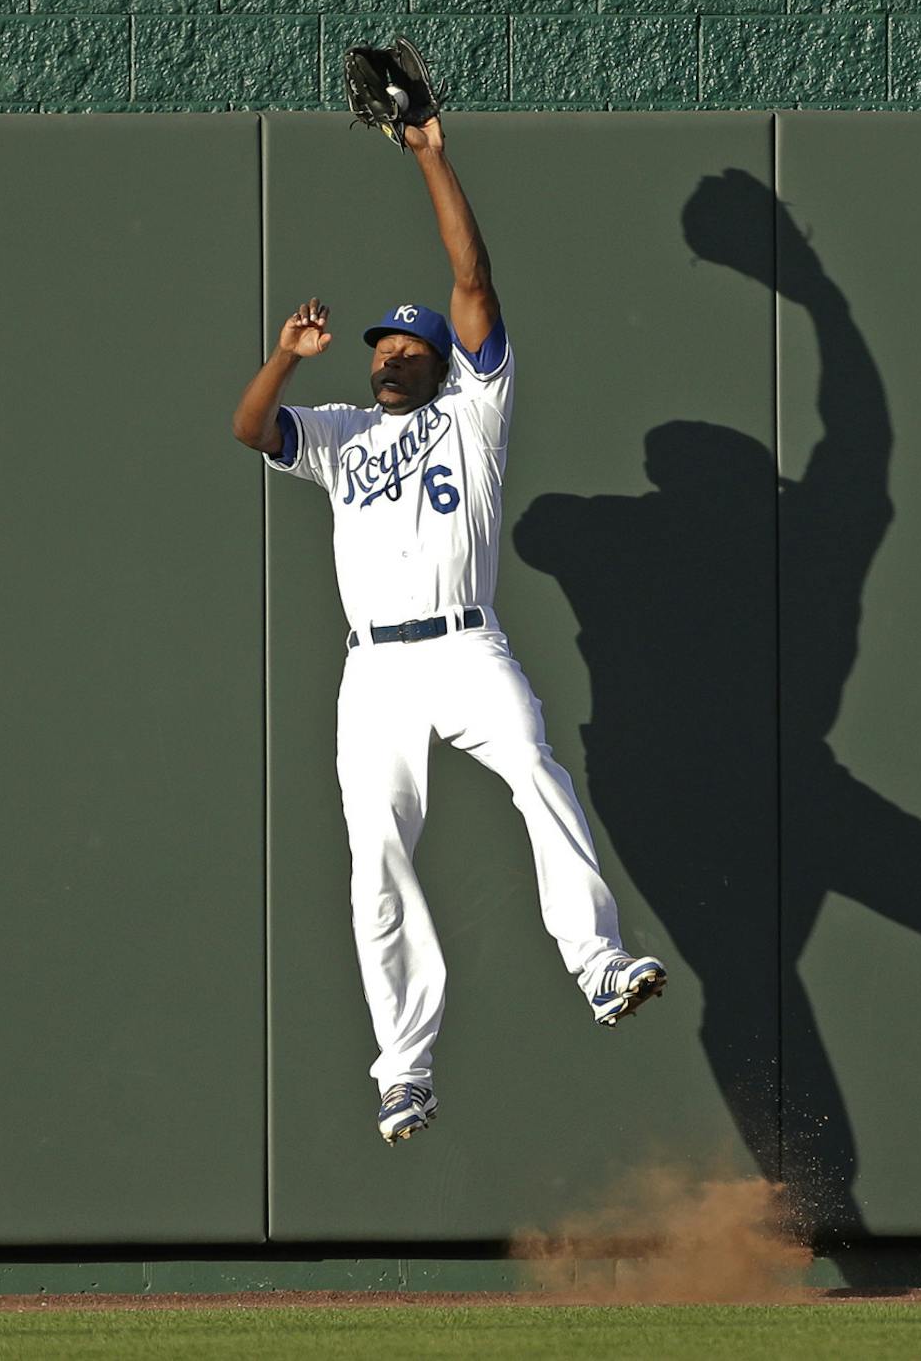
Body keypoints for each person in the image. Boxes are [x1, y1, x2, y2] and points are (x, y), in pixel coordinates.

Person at [228, 115, 668, 1145]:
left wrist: (428, 151)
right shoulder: (338, 434)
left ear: (439, 361)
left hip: (467, 645)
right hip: (375, 670)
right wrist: (286, 359)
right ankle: (404, 1069)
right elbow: (251, 428)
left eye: (407, 345)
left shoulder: (474, 408)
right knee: (373, 851)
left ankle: (599, 962)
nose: (389, 354)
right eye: (381, 342)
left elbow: (472, 280)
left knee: (532, 763)